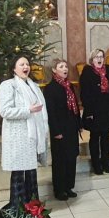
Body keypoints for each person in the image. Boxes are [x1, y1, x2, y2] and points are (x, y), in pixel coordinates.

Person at [0, 56, 48, 209]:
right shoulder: (8, 85)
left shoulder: (33, 85)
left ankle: (34, 210)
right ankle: (18, 209)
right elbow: (5, 111)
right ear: (14, 68)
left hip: (32, 138)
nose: (26, 66)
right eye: (21, 64)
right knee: (19, 174)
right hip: (18, 137)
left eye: (27, 64)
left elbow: (41, 109)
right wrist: (28, 110)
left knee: (31, 174)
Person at [43, 59, 81, 201]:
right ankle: (59, 190)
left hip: (71, 127)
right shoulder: (50, 88)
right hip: (59, 129)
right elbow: (50, 112)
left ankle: (68, 187)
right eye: (61, 66)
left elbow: (75, 106)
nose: (65, 69)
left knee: (71, 158)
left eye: (66, 66)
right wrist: (56, 131)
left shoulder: (69, 85)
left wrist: (78, 124)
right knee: (60, 160)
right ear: (54, 70)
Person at [79, 49, 109, 175]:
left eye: (101, 56)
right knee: (95, 137)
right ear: (92, 59)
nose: (99, 59)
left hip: (107, 108)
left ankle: (105, 164)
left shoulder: (108, 69)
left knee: (106, 137)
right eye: (96, 57)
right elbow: (84, 93)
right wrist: (89, 111)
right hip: (94, 109)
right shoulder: (87, 71)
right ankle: (96, 165)